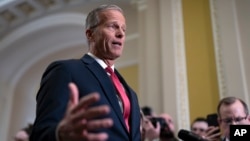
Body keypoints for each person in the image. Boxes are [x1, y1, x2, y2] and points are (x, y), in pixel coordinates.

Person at [30, 4, 141, 141]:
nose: (121, 33)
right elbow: (40, 133)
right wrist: (60, 134)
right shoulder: (65, 71)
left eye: (124, 29)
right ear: (90, 34)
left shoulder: (131, 94)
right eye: (113, 26)